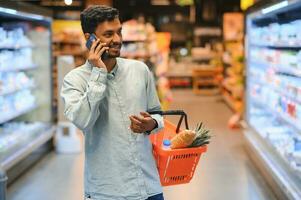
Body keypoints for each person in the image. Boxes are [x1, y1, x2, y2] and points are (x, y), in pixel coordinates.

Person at [60, 5, 165, 200]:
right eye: (108, 34)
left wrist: (151, 124)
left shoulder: (139, 70)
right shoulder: (74, 80)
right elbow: (83, 121)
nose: (117, 40)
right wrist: (99, 73)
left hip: (147, 186)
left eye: (119, 32)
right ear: (89, 38)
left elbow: (158, 114)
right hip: (106, 191)